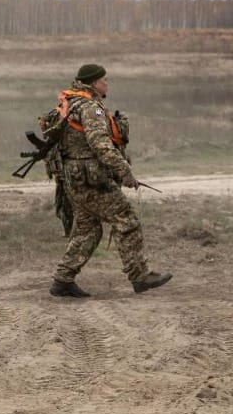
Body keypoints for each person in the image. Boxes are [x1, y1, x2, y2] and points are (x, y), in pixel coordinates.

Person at [48, 64, 171, 297]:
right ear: (94, 83)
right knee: (127, 219)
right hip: (92, 179)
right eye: (104, 80)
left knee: (88, 230)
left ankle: (63, 280)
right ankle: (140, 276)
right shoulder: (90, 108)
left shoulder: (71, 103)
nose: (107, 84)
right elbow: (100, 145)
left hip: (74, 179)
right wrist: (125, 171)